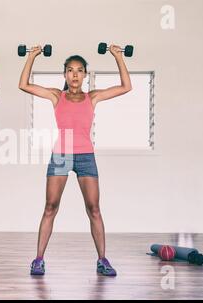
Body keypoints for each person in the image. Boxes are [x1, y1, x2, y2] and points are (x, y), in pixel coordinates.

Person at [19, 45, 132, 276]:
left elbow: (126, 87)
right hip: (61, 154)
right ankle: (38, 259)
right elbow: (24, 85)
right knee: (50, 207)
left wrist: (118, 56)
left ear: (85, 75)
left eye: (79, 70)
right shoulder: (55, 96)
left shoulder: (93, 97)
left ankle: (102, 260)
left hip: (85, 156)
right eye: (70, 70)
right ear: (64, 75)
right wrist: (31, 56)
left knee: (94, 209)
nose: (75, 75)